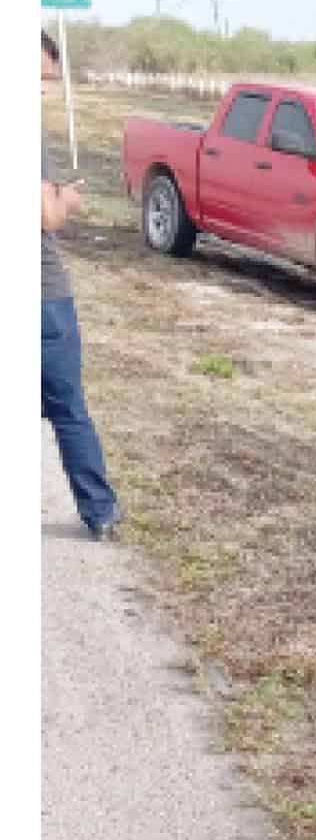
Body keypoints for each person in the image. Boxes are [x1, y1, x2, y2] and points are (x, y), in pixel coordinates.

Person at [42, 29, 123, 540]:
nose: (45, 89)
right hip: (41, 298)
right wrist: (66, 200)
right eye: (39, 77)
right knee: (68, 407)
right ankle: (99, 510)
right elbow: (44, 216)